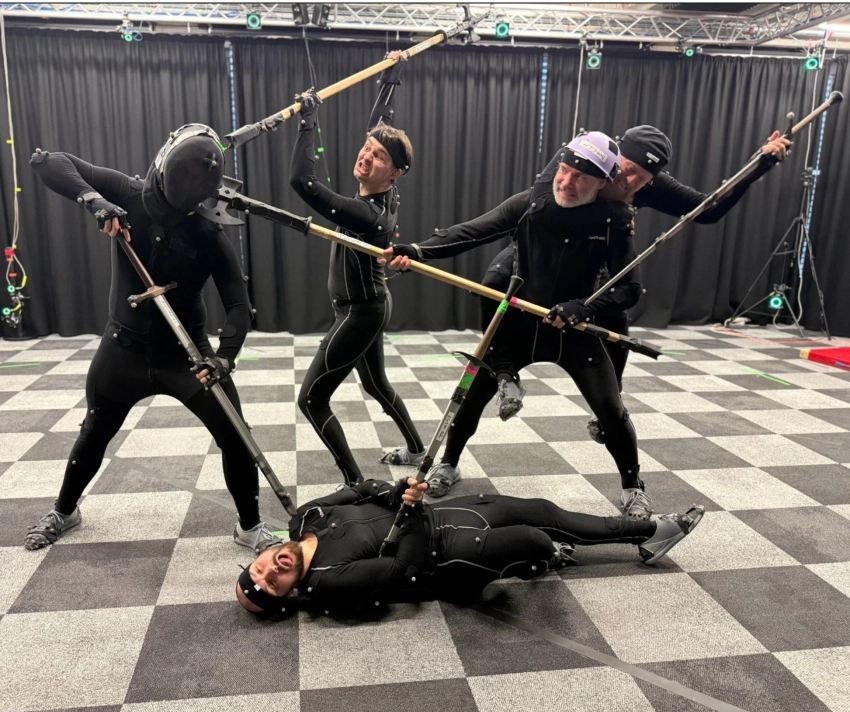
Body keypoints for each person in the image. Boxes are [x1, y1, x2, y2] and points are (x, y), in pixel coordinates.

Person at [25, 124, 279, 554]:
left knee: (235, 433)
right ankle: (64, 512)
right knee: (95, 429)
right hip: (121, 350)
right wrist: (95, 201)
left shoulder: (208, 233)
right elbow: (48, 161)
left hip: (187, 356)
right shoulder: (126, 192)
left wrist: (224, 358)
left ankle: (250, 527)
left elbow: (238, 305)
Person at [383, 132, 656, 519]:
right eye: (564, 170)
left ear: (601, 183)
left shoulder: (614, 219)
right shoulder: (532, 204)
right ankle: (449, 463)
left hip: (572, 330)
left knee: (611, 409)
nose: (567, 181)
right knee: (469, 397)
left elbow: (629, 289)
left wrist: (583, 307)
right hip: (517, 326)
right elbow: (472, 230)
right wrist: (417, 250)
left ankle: (633, 487)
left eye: (581, 177)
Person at [485, 125, 790, 435]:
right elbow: (539, 202)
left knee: (616, 313)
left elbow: (707, 209)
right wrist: (616, 211)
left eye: (641, 179)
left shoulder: (653, 184)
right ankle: (504, 373)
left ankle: (611, 403)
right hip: (541, 247)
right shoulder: (584, 157)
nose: (630, 182)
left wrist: (759, 162)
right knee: (495, 279)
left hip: (594, 256)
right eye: (627, 170)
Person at [236, 476, 704, 617]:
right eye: (272, 585)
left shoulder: (304, 518)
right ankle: (540, 560)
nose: (270, 571)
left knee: (545, 510)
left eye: (258, 570)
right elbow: (403, 570)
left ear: (259, 556)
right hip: (448, 553)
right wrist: (412, 513)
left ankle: (650, 532)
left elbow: (360, 489)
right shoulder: (325, 582)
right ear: (288, 594)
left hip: (451, 510)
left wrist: (397, 493)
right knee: (536, 540)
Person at [289, 51, 426, 490]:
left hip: (361, 311)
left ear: (395, 174)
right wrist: (391, 75)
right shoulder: (380, 190)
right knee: (377, 385)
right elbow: (379, 123)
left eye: (379, 156)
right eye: (367, 148)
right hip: (367, 305)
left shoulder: (369, 214)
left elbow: (302, 182)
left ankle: (355, 484)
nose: (367, 156)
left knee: (312, 400)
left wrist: (308, 121)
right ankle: (417, 450)